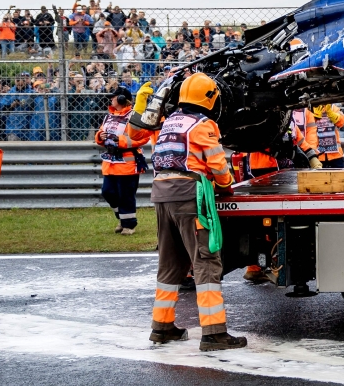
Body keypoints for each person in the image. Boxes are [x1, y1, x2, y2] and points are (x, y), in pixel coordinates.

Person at [148, 72, 246, 350]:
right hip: (189, 197)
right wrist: (227, 186)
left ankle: (162, 327)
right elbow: (217, 166)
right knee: (206, 262)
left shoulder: (168, 123)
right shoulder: (204, 125)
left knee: (170, 265)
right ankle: (214, 333)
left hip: (161, 195)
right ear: (210, 99)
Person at [95, 86, 150, 234]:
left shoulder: (134, 116)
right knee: (108, 192)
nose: (111, 100)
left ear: (121, 99)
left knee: (126, 195)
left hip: (127, 162)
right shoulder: (108, 116)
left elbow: (144, 137)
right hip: (110, 162)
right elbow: (101, 131)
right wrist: (100, 137)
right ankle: (122, 218)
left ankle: (129, 225)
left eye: (113, 97)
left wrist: (120, 141)